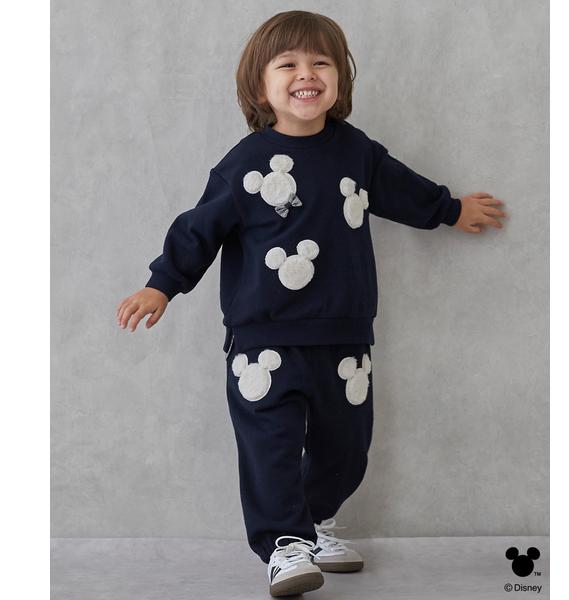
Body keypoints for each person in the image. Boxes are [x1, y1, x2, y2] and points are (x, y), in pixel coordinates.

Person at [116, 10, 506, 597]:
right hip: (263, 342)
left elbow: (402, 189)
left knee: (346, 450)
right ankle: (284, 545)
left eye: (321, 62)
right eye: (289, 64)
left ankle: (312, 525)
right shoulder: (243, 164)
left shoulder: (356, 152)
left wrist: (451, 209)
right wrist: (162, 283)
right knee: (270, 447)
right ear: (260, 86)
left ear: (340, 80)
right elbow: (199, 229)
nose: (307, 73)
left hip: (344, 338)